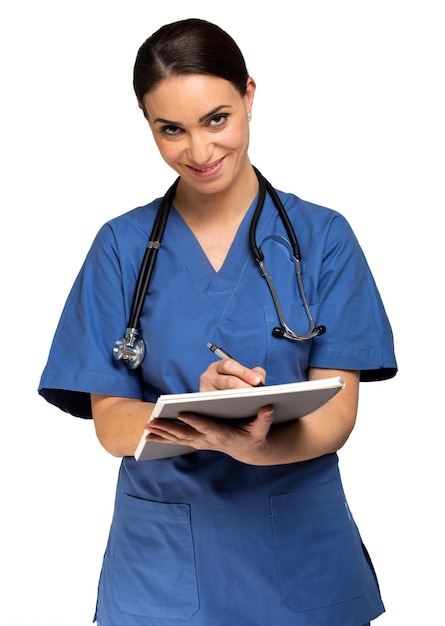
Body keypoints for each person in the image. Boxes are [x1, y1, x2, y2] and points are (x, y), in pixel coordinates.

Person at [38, 17, 397, 626]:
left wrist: (254, 444)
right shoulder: (122, 249)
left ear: (250, 96)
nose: (199, 152)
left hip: (301, 558)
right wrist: (191, 411)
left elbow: (337, 414)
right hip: (163, 572)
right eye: (170, 130)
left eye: (217, 119)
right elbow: (111, 427)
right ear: (148, 126)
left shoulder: (323, 239)